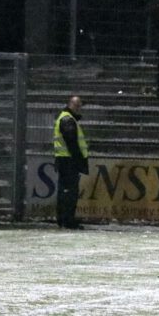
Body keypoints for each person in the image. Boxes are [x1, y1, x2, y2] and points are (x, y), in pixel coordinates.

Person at [54, 95, 89, 230]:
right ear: (70, 105)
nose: (79, 108)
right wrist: (78, 160)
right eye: (77, 105)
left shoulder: (66, 118)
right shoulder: (68, 119)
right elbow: (72, 142)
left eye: (80, 105)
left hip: (64, 159)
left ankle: (63, 219)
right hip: (69, 160)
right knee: (70, 192)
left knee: (65, 191)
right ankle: (68, 220)